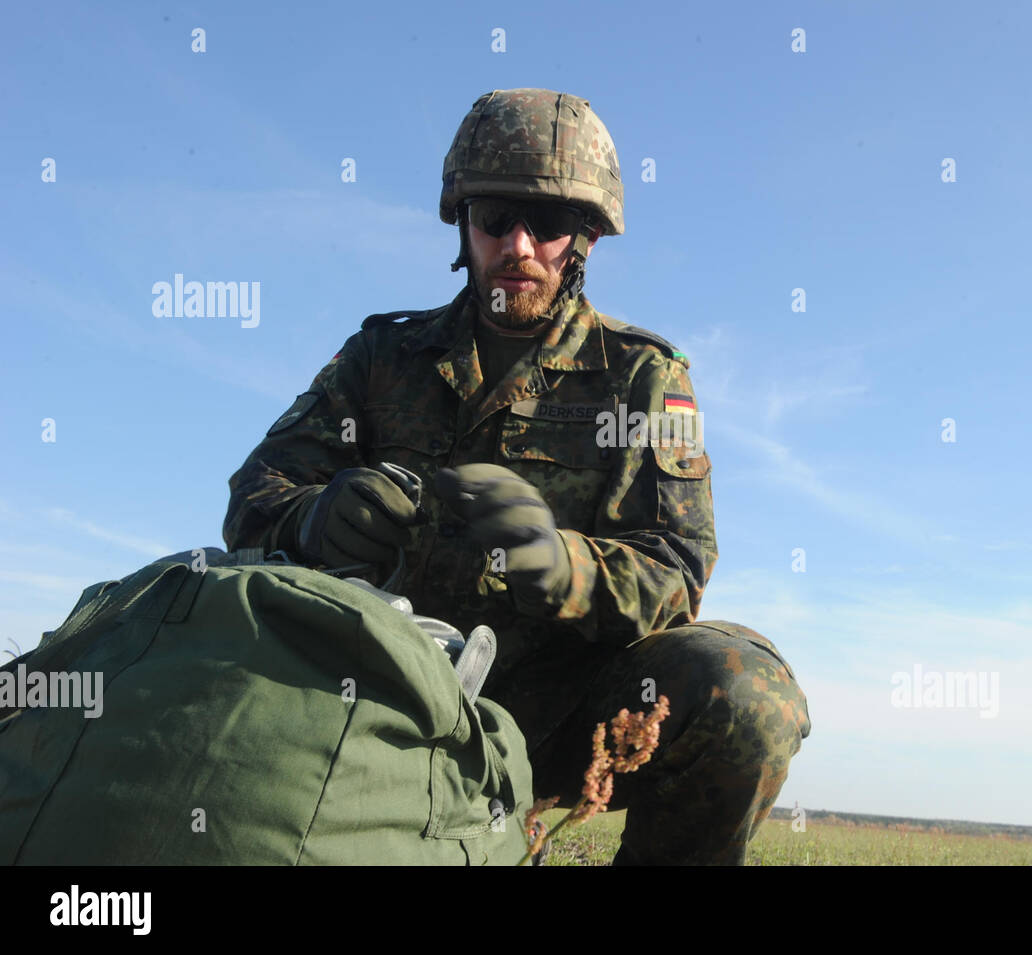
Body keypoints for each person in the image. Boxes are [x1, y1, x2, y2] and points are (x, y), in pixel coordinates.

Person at [222, 88, 810, 865]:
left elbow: (678, 567)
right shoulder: (379, 360)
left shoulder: (642, 378)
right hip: (377, 697)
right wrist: (316, 518)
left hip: (556, 717)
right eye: (496, 217)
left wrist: (564, 565)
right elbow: (254, 496)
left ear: (586, 239)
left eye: (550, 223)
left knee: (745, 693)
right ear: (463, 225)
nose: (519, 245)